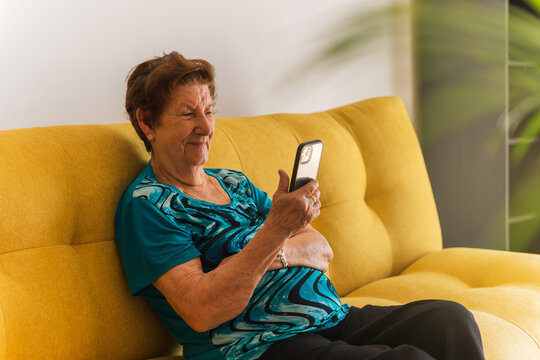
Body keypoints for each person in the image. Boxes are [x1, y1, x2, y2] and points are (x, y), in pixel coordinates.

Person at [115, 51, 485, 360]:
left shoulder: (232, 182)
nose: (206, 127)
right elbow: (202, 309)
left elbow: (321, 251)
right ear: (147, 122)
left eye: (209, 111)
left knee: (451, 321)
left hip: (330, 317)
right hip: (259, 345)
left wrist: (258, 256)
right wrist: (275, 231)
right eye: (187, 114)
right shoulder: (149, 205)